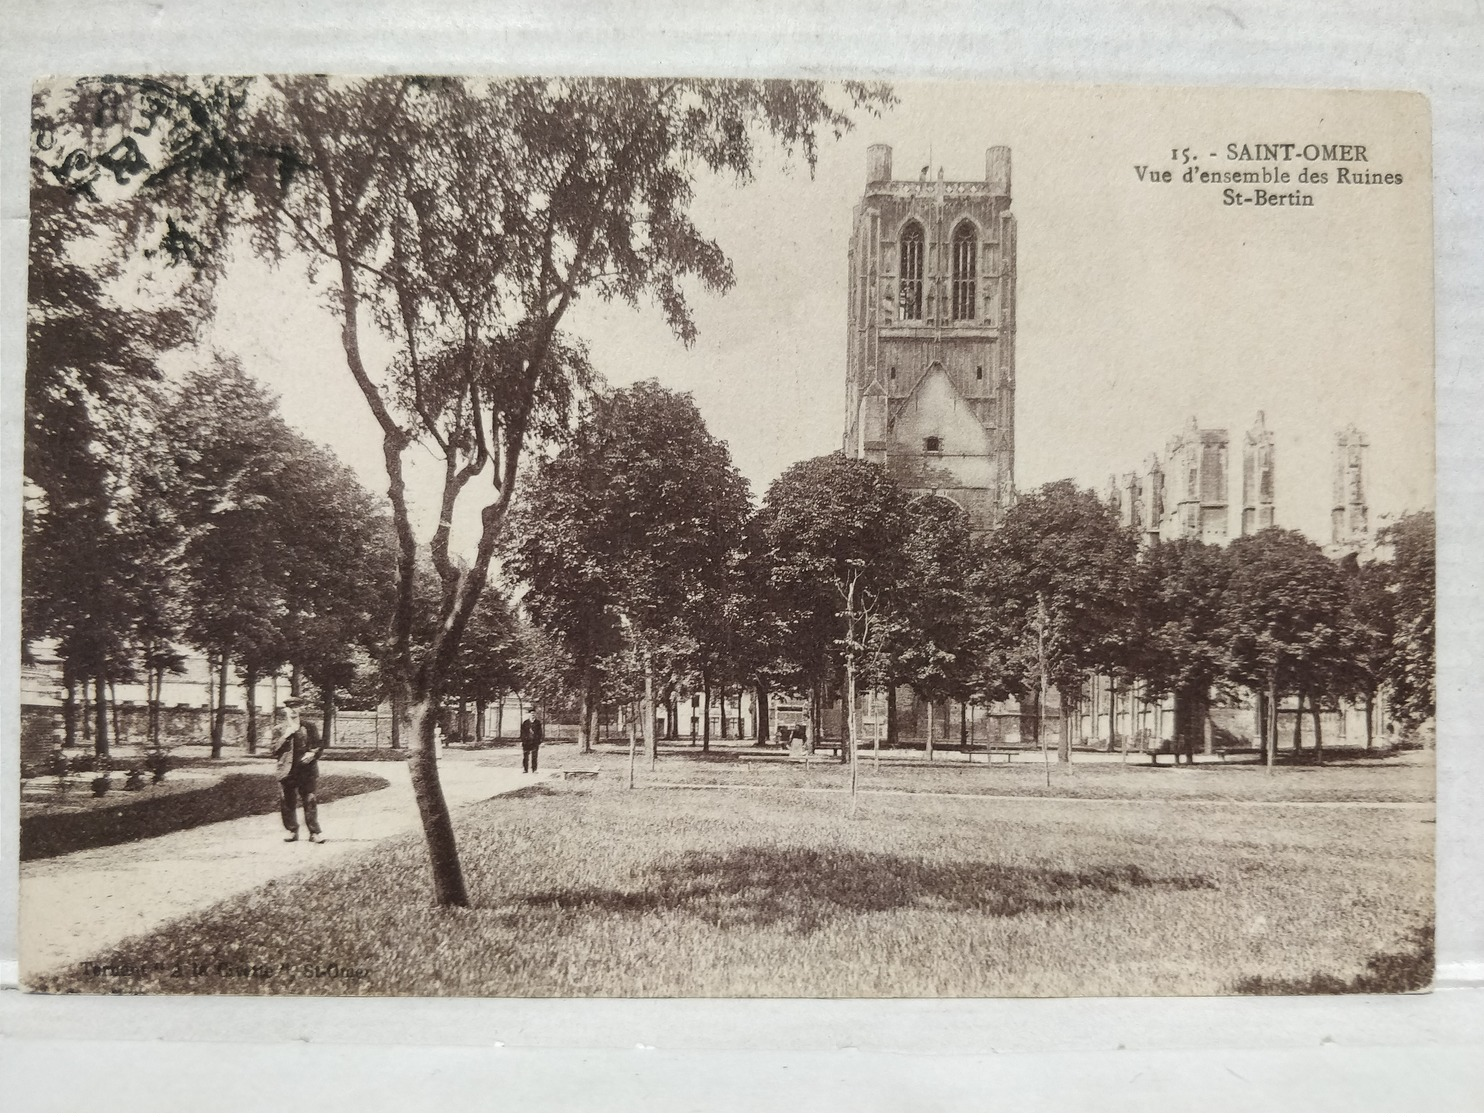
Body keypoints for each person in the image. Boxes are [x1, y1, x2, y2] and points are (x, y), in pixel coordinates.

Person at [273, 697, 326, 843]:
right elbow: (273, 750)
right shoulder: (279, 729)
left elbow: (318, 745)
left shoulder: (309, 727)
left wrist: (313, 754)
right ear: (285, 710)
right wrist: (286, 735)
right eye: (290, 708)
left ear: (301, 709)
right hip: (287, 771)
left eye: (296, 707)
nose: (293, 710)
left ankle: (314, 833)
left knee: (310, 799)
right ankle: (292, 830)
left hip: (306, 770)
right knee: (287, 801)